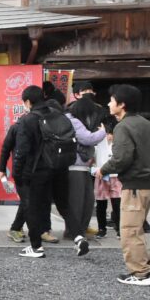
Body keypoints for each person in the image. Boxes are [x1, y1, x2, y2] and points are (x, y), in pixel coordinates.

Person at [11, 86, 76, 259]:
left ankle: (36, 247)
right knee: (64, 204)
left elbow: (21, 151)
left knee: (32, 207)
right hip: (59, 167)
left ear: (27, 102)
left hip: (37, 171)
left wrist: (17, 175)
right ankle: (79, 237)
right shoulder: (58, 115)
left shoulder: (28, 120)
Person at [96, 84, 150, 284]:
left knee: (130, 230)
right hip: (146, 183)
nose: (109, 103)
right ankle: (144, 268)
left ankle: (140, 273)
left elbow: (121, 158)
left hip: (134, 185)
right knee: (138, 229)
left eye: (111, 100)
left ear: (122, 104)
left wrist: (103, 169)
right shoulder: (145, 123)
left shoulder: (123, 126)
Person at [64, 93, 106, 255]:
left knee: (86, 201)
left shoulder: (74, 120)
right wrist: (103, 131)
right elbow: (88, 139)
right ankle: (74, 232)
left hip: (80, 167)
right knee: (77, 202)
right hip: (74, 168)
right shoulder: (73, 121)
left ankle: (78, 231)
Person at [0, 121, 30, 244]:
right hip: (21, 171)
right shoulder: (17, 127)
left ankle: (21, 227)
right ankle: (15, 228)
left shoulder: (43, 124)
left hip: (37, 170)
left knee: (29, 201)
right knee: (27, 200)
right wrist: (2, 169)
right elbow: (6, 148)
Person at [94, 116, 122, 238]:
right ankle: (101, 228)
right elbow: (93, 158)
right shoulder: (97, 142)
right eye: (107, 133)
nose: (108, 136)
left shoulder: (119, 141)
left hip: (116, 176)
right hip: (101, 174)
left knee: (117, 202)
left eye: (110, 133)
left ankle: (119, 228)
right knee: (101, 203)